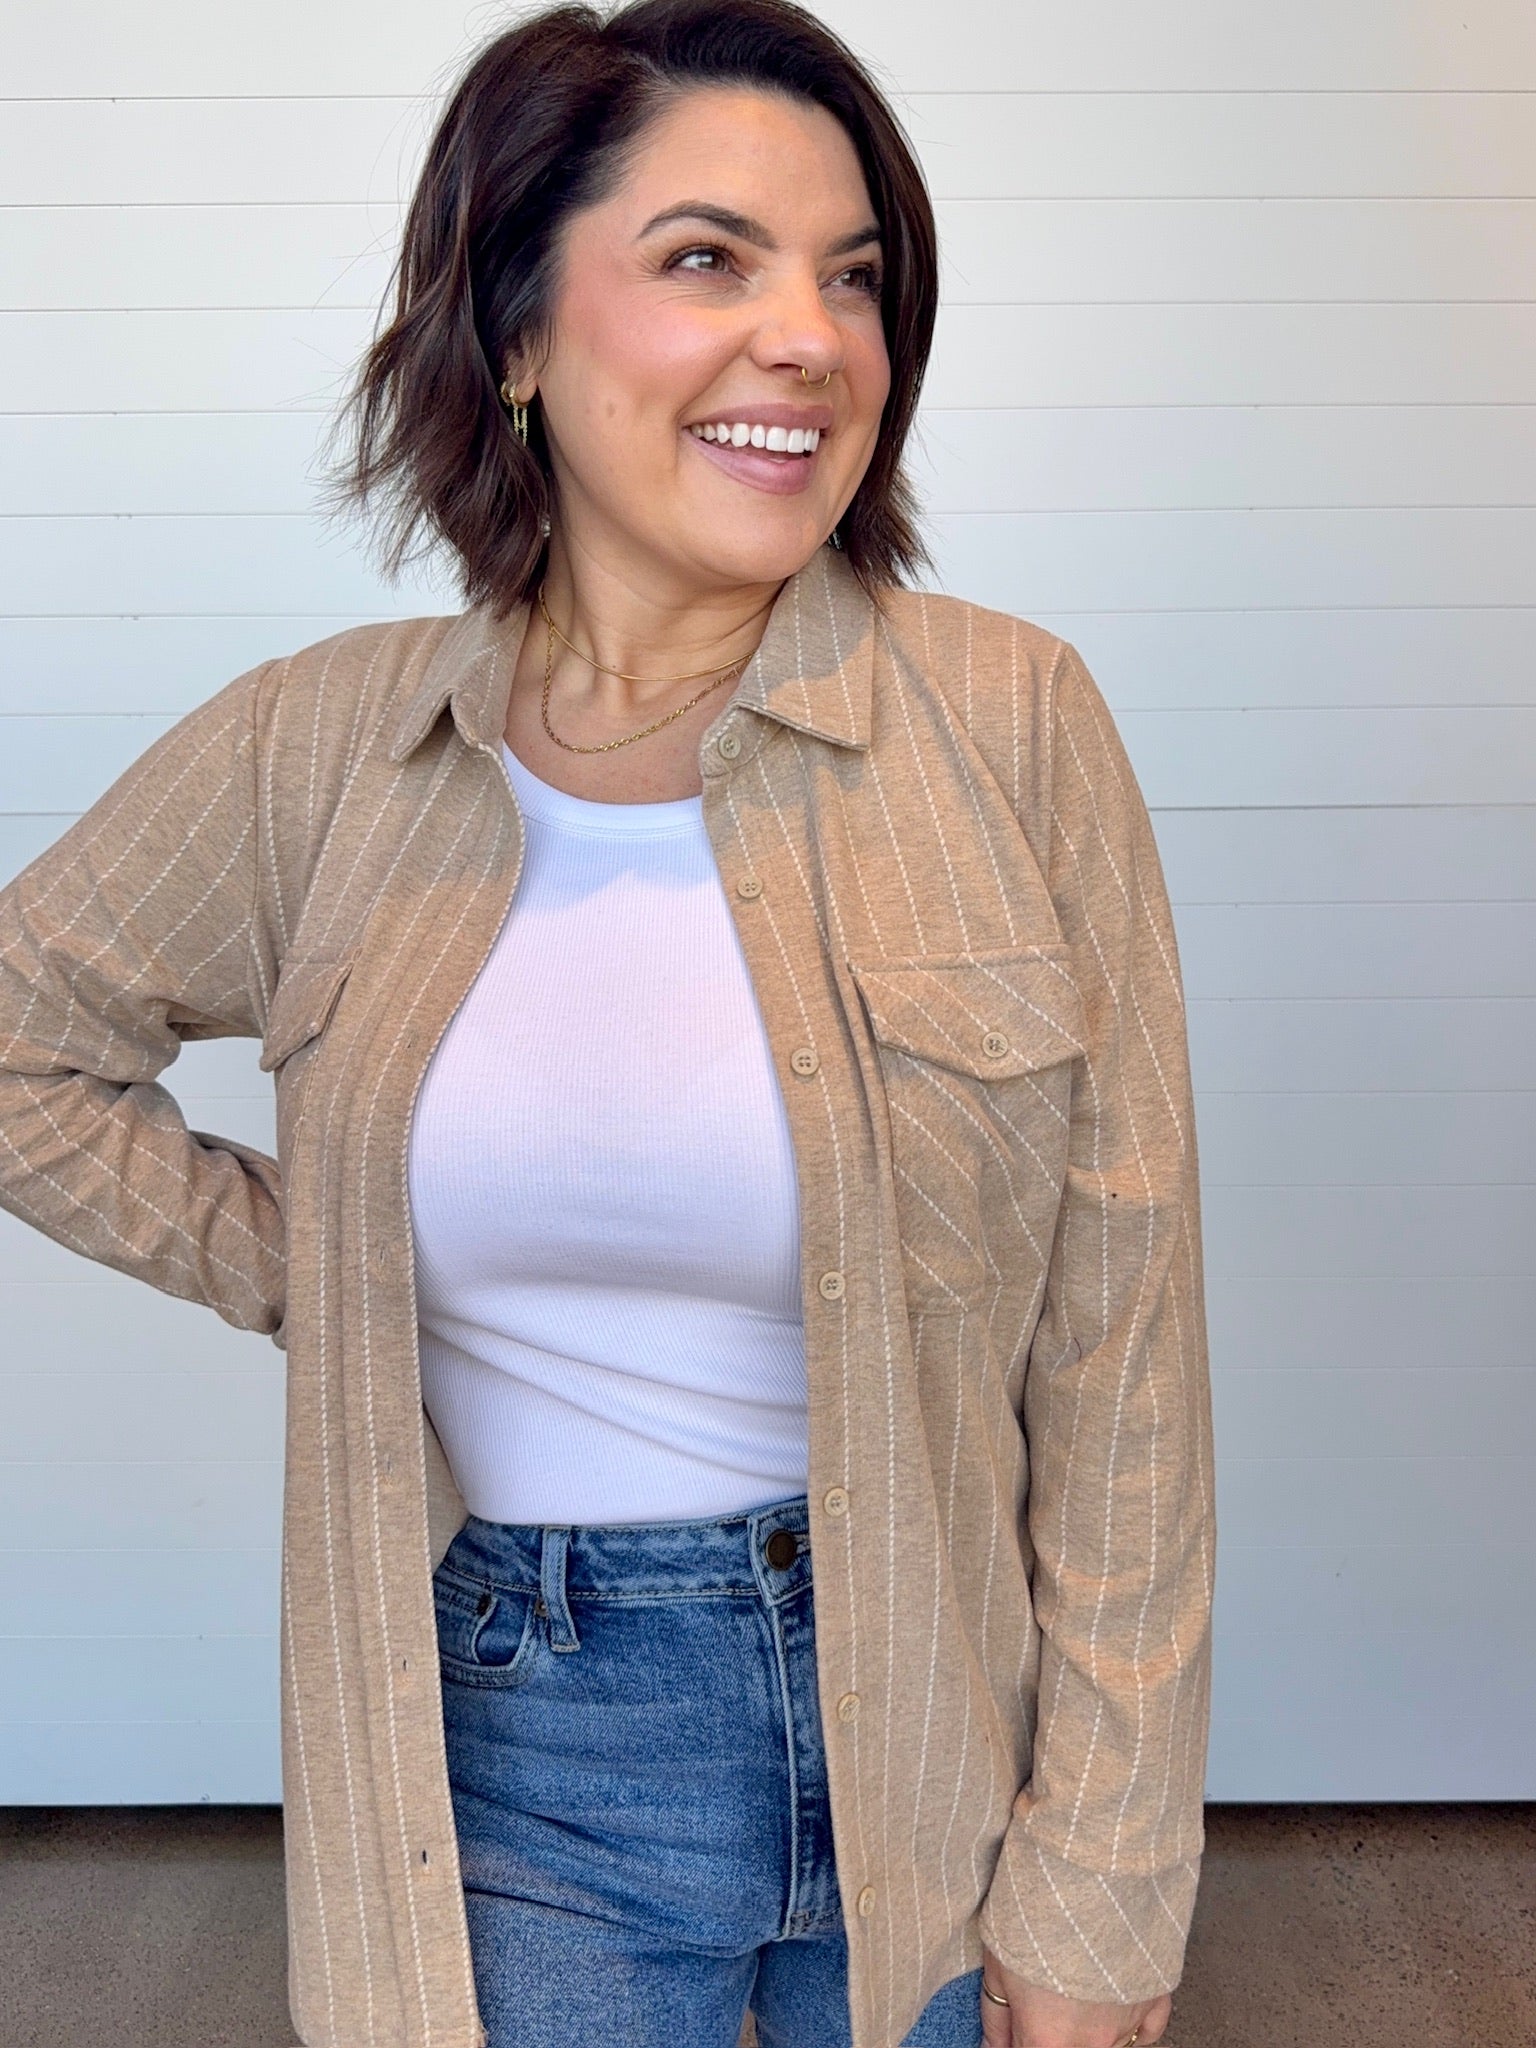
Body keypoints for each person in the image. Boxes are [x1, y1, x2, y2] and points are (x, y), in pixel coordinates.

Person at [0, 3, 1215, 2045]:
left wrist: (1106, 1879)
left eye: (854, 277)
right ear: (516, 335)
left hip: (942, 1724)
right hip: (530, 1752)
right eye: (708, 258)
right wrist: (330, 1264)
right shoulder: (326, 750)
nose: (810, 338)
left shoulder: (1011, 727)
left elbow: (1126, 1357)